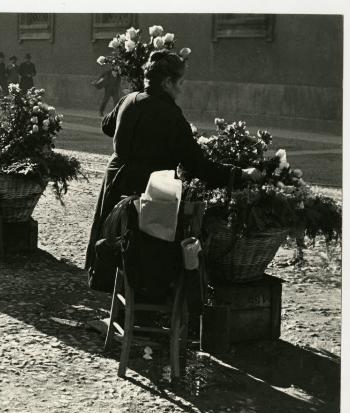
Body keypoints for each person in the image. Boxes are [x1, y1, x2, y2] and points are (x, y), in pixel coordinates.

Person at [85, 49, 263, 289]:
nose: (181, 89)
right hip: (146, 190)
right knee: (141, 251)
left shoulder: (129, 99)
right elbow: (198, 165)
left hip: (115, 179)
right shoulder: (170, 115)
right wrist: (240, 174)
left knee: (112, 238)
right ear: (167, 82)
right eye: (180, 83)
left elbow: (107, 126)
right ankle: (142, 300)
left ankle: (111, 282)